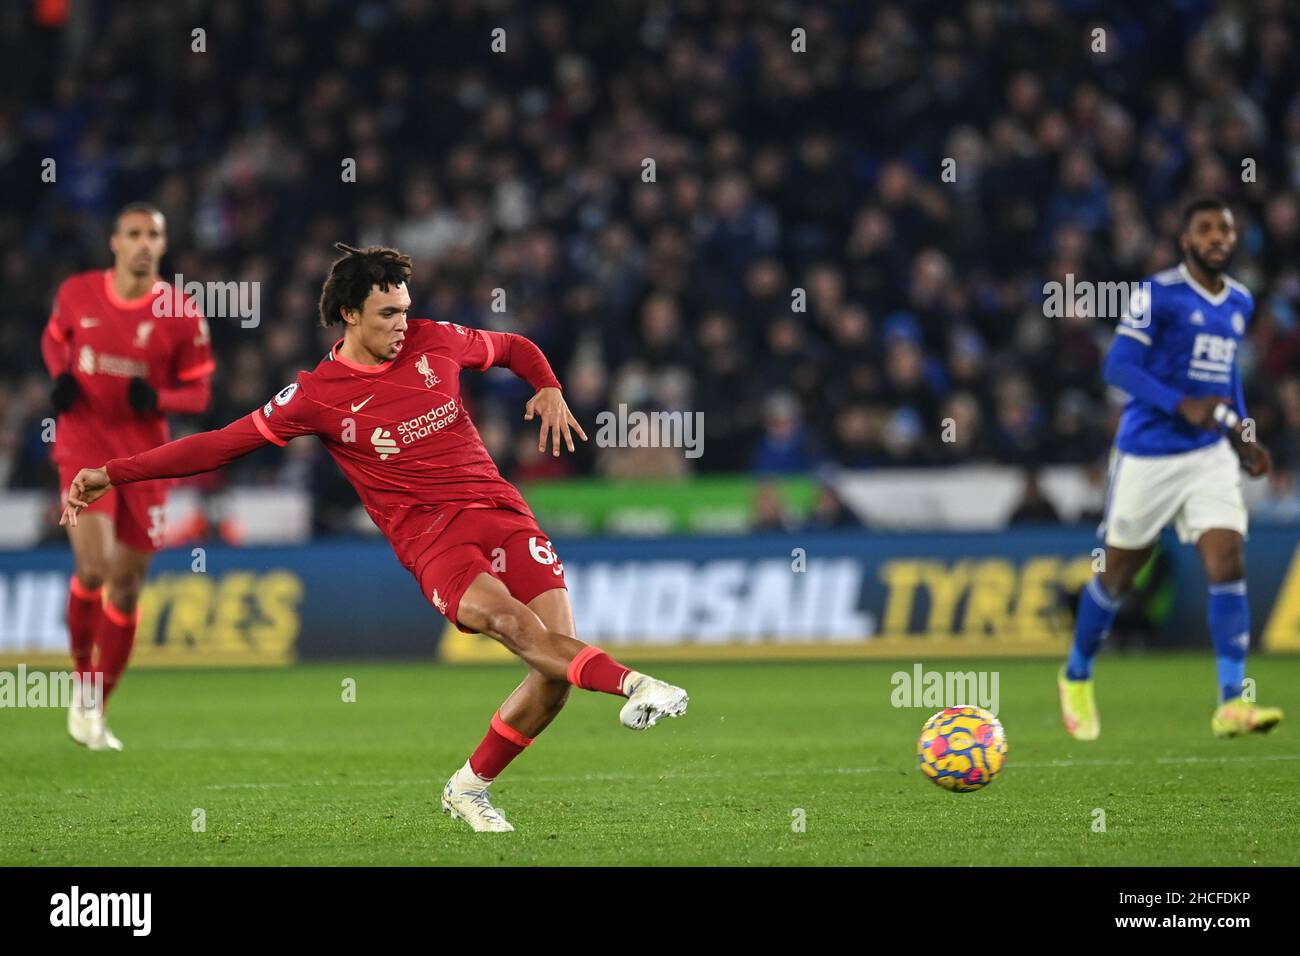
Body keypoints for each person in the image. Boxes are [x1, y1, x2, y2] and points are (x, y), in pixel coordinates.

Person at [60, 243, 688, 832]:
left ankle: (468, 787)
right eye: (388, 313)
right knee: (515, 628)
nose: (401, 323)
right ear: (348, 315)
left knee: (552, 672)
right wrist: (112, 474)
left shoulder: (435, 340)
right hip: (434, 542)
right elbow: (217, 445)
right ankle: (635, 685)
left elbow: (515, 347)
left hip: (500, 512)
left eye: (406, 309)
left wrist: (548, 387)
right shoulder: (316, 396)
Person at [1059, 198, 1282, 740]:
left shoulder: (1240, 302)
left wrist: (1244, 435)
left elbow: (1225, 380)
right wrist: (1179, 405)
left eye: (1225, 229)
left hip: (1207, 455)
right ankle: (1077, 675)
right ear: (1186, 239)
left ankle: (1232, 703)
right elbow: (1119, 367)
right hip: (1149, 454)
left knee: (1226, 559)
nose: (1216, 238)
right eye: (1204, 229)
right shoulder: (1156, 295)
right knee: (1116, 574)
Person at [43, 202, 214, 750]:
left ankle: (97, 706)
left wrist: (157, 396)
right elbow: (54, 340)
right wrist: (61, 375)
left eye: (153, 235)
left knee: (128, 584)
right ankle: (80, 681)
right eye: (134, 233)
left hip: (144, 459)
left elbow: (200, 392)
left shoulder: (182, 312)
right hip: (82, 444)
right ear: (114, 242)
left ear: (163, 245)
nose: (143, 243)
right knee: (93, 568)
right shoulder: (77, 293)